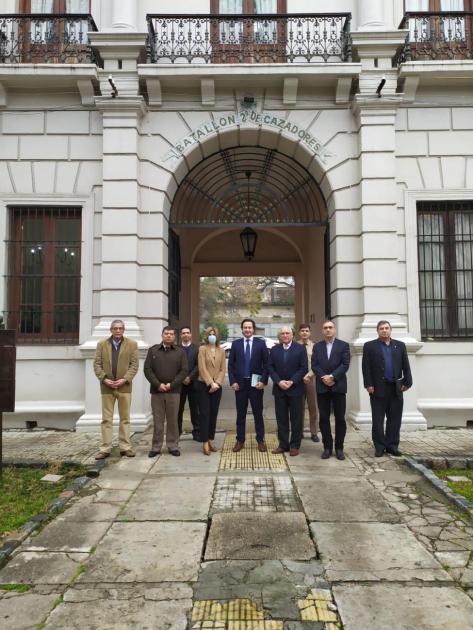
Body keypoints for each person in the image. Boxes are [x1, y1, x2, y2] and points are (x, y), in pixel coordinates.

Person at [362, 320, 412, 457]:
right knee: (378, 419)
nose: (384, 330)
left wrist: (408, 382)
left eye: (387, 328)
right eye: (381, 328)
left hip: (396, 388)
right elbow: (366, 368)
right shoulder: (369, 346)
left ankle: (392, 446)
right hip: (377, 388)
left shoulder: (400, 346)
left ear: (391, 330)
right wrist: (368, 384)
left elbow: (406, 365)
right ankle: (379, 446)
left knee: (395, 419)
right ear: (377, 331)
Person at [93, 319, 139, 460]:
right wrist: (104, 378)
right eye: (115, 328)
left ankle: (125, 447)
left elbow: (134, 365)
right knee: (106, 419)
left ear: (123, 330)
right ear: (111, 330)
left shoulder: (132, 344)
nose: (118, 331)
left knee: (125, 419)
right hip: (107, 387)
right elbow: (97, 364)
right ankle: (105, 448)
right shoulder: (102, 344)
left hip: (124, 386)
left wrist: (124, 379)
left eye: (120, 328)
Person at [144, 326, 188, 457]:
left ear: (175, 337)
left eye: (171, 334)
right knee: (158, 420)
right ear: (162, 335)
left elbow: (184, 370)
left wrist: (171, 385)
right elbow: (147, 370)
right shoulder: (153, 350)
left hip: (174, 391)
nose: (168, 336)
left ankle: (172, 445)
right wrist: (158, 384)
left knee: (173, 420)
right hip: (157, 391)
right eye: (166, 333)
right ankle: (156, 447)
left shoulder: (180, 352)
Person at [228, 318, 269, 453]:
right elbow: (231, 365)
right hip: (240, 385)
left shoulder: (261, 344)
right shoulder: (236, 344)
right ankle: (240, 440)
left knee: (258, 413)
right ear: (242, 329)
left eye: (250, 327)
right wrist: (233, 381)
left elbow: (266, 365)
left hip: (255, 384)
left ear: (253, 329)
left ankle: (260, 440)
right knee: (241, 414)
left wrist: (263, 381)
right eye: (245, 327)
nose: (247, 330)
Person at [312, 320, 350, 460]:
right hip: (322, 386)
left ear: (334, 330)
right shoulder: (317, 347)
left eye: (330, 327)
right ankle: (327, 447)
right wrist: (324, 377)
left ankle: (339, 448)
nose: (328, 330)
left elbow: (345, 365)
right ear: (322, 331)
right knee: (324, 419)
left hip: (338, 386)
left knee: (340, 419)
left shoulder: (343, 345)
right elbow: (314, 365)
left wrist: (333, 377)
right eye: (325, 328)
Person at [268, 325, 308, 456]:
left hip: (295, 389)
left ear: (292, 335)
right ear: (279, 336)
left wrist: (291, 381)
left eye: (287, 333)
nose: (285, 335)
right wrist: (279, 381)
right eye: (282, 333)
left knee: (296, 418)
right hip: (279, 390)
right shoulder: (274, 350)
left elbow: (303, 368)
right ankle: (283, 444)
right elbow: (270, 368)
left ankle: (295, 445)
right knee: (281, 419)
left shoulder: (300, 349)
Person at [197, 326, 226, 456]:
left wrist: (218, 383)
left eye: (214, 334)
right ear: (207, 336)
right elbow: (202, 368)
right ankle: (204, 441)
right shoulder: (202, 349)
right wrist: (211, 383)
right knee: (204, 413)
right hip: (204, 385)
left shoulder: (221, 350)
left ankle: (210, 439)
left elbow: (222, 369)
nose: (212, 336)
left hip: (217, 387)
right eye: (210, 334)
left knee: (213, 413)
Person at [297, 324, 320, 442]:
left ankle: (314, 432)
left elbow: (317, 363)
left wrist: (309, 375)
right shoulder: (295, 346)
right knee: (298, 407)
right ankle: (299, 431)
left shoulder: (315, 346)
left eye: (306, 331)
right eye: (302, 331)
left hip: (311, 379)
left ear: (310, 332)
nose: (305, 333)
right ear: (299, 333)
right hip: (298, 380)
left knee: (313, 407)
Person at [177, 325, 200, 441]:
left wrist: (190, 377)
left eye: (187, 333)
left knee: (195, 409)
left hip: (193, 383)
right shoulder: (175, 349)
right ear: (180, 335)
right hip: (179, 384)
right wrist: (182, 378)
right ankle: (177, 432)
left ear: (191, 334)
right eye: (183, 333)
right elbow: (174, 366)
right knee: (178, 409)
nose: (185, 335)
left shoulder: (197, 349)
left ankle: (196, 432)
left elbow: (198, 365)